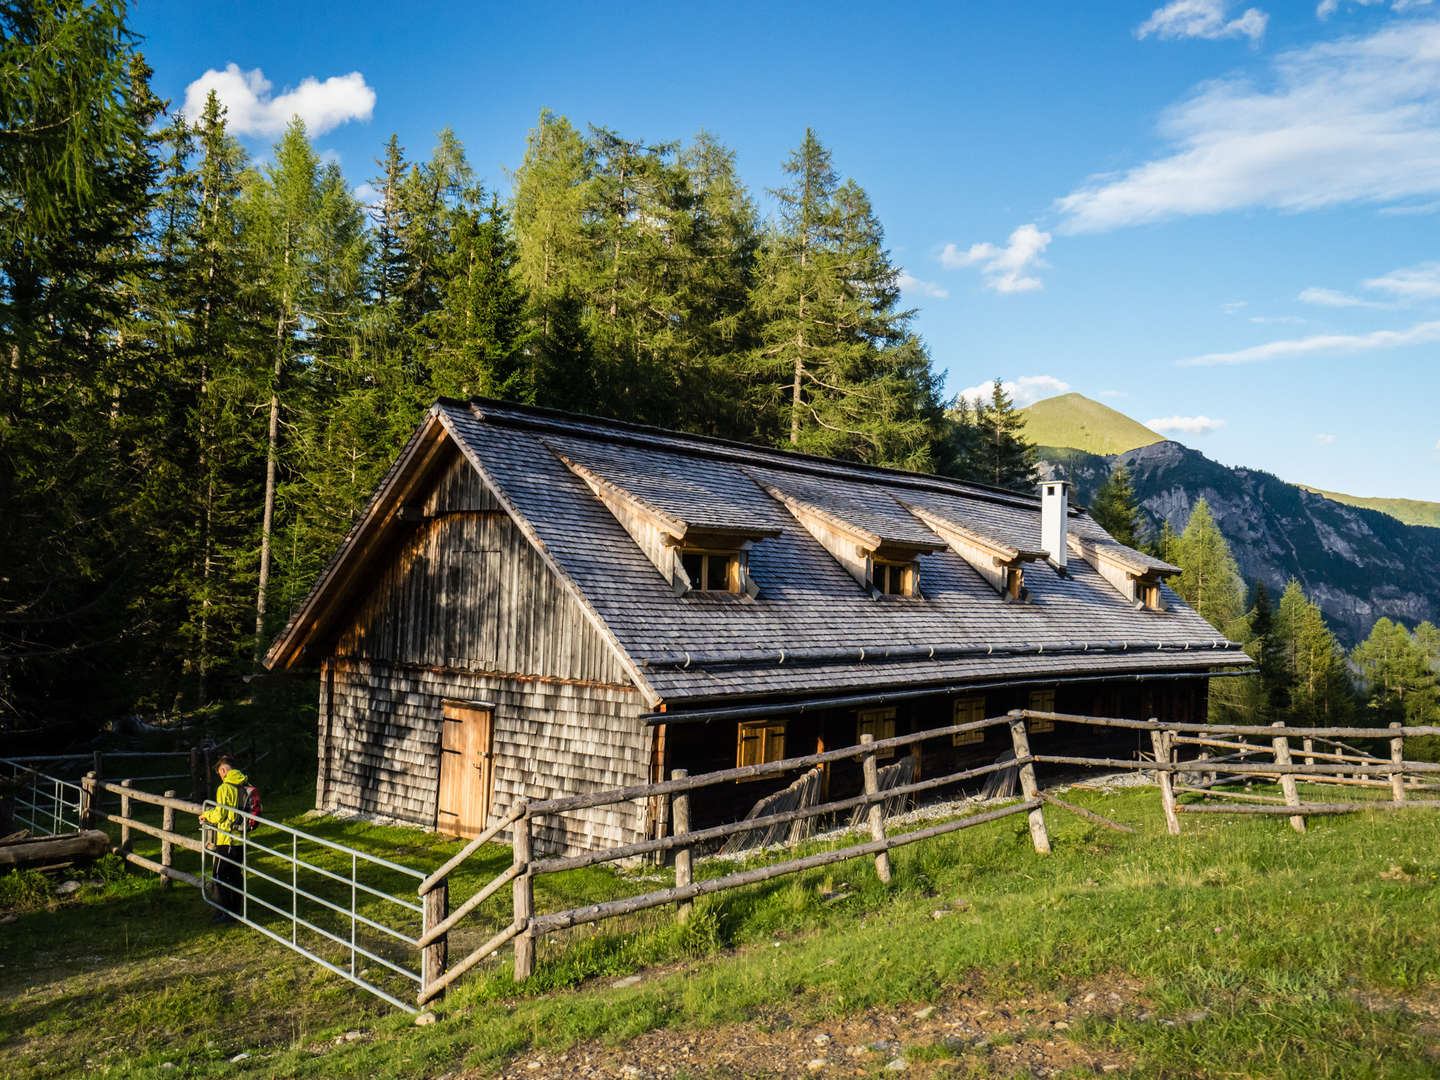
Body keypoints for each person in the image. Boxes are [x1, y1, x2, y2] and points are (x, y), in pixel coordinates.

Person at [199, 755, 248, 924]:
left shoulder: (225, 788)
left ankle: (227, 913)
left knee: (219, 875)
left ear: (223, 770)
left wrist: (206, 815)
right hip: (241, 839)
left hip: (226, 840)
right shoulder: (244, 785)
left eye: (220, 773)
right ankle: (237, 912)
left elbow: (220, 814)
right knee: (235, 876)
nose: (220, 776)